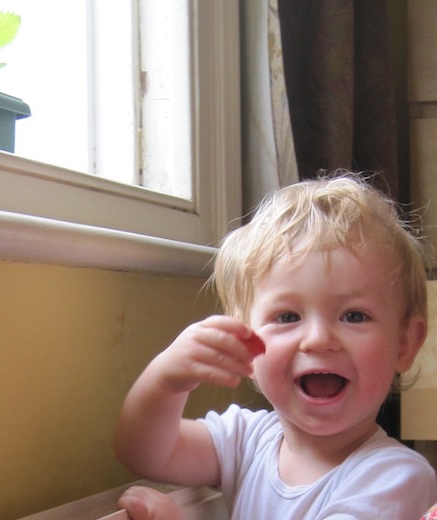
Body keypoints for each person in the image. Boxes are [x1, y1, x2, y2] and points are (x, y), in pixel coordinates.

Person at [113, 173, 437, 520]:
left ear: (404, 344)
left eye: (354, 316)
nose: (317, 339)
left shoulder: (395, 479)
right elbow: (145, 454)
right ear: (245, 342)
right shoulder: (248, 440)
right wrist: (165, 382)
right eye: (286, 316)